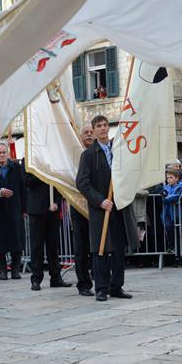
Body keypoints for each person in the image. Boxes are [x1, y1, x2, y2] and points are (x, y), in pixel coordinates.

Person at [76, 115, 139, 302]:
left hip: (119, 207)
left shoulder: (118, 150)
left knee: (118, 248)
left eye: (105, 125)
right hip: (101, 209)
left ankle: (116, 286)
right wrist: (99, 201)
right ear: (94, 131)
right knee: (100, 248)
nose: (103, 128)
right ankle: (101, 288)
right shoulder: (88, 155)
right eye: (99, 126)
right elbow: (82, 183)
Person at [23, 167, 71, 291]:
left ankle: (55, 277)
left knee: (53, 245)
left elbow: (59, 183)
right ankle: (36, 279)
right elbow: (27, 181)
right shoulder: (29, 160)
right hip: (36, 209)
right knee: (36, 246)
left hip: (52, 209)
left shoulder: (51, 159)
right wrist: (43, 173)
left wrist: (57, 201)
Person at [0, 142, 26, 281]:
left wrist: (25, 208)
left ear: (7, 153)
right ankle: (2, 271)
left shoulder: (16, 167)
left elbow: (23, 188)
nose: (1, 155)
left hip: (15, 208)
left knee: (16, 240)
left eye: (3, 152)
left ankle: (15, 270)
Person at [71, 125, 95, 296]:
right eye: (85, 132)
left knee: (98, 245)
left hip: (97, 206)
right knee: (81, 247)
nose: (88, 134)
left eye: (90, 132)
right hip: (78, 206)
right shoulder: (74, 156)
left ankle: (100, 277)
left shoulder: (98, 154)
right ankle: (83, 283)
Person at [162, 169, 182, 253]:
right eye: (167, 178)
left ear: (177, 178)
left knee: (178, 232)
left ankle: (178, 250)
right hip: (167, 212)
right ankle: (171, 246)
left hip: (177, 212)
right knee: (168, 228)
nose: (169, 179)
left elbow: (177, 196)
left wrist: (166, 198)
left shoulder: (180, 186)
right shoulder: (166, 187)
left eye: (171, 177)